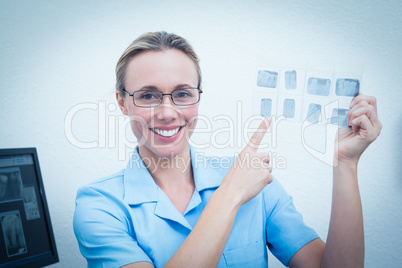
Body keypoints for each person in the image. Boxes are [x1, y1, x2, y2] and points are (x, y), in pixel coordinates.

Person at [73, 31, 382, 268]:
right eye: (148, 96)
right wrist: (230, 194)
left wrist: (345, 163)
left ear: (197, 97)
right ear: (121, 102)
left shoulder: (255, 183)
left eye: (182, 94)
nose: (167, 112)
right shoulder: (99, 205)